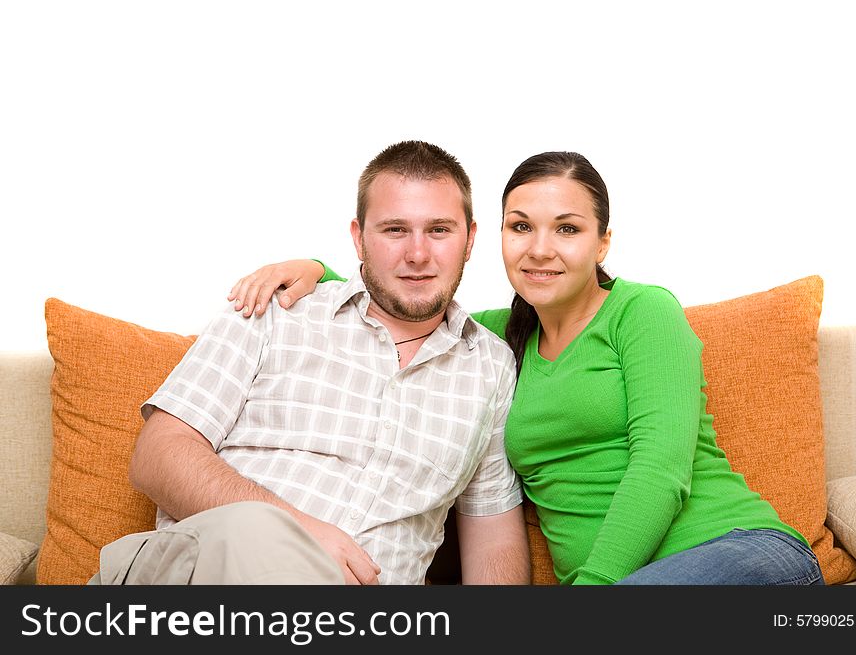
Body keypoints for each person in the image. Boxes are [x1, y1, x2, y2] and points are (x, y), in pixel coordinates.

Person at [230, 151, 824, 585]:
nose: (540, 248)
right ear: (496, 238)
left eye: (567, 229)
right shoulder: (493, 336)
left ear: (603, 243)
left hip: (741, 556)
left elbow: (661, 469)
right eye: (522, 227)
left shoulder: (643, 311)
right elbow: (405, 298)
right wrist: (313, 268)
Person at [89, 140, 530, 586]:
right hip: (206, 575)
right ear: (359, 238)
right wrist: (294, 533)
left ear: (470, 239)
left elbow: (494, 539)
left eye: (439, 230)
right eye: (395, 230)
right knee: (256, 534)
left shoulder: (490, 367)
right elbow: (158, 454)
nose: (417, 254)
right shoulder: (276, 308)